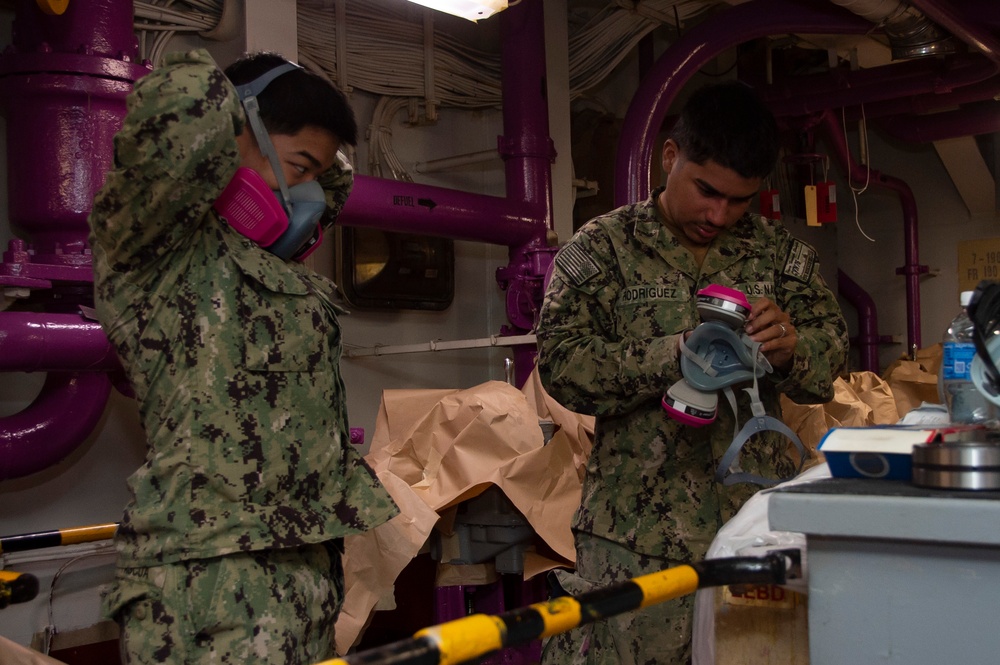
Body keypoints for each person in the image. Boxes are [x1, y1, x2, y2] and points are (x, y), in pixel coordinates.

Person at [88, 49, 398, 664]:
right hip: (211, 584)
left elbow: (335, 185)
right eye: (299, 167)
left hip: (304, 566)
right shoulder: (160, 249)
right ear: (234, 133)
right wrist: (246, 99)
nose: (308, 192)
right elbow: (185, 100)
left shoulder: (263, 261)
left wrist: (305, 141)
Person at [535, 81, 847, 664]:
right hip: (635, 538)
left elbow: (832, 358)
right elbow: (560, 365)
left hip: (754, 529)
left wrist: (792, 350)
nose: (718, 215)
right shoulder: (604, 250)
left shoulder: (779, 257)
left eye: (739, 201)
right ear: (671, 157)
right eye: (707, 191)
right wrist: (674, 354)